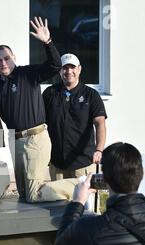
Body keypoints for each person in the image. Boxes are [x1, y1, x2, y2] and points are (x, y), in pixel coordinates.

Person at [0, 17, 61, 202]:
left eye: (6, 58)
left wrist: (47, 42)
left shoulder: (27, 74)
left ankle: (75, 184)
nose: (3, 63)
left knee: (33, 193)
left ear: (14, 57)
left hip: (35, 138)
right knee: (23, 193)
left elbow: (55, 66)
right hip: (15, 141)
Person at [43, 53, 107, 181]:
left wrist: (99, 150)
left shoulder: (91, 95)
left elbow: (100, 123)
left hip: (83, 163)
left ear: (79, 69)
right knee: (59, 200)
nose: (68, 71)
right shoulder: (49, 93)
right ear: (59, 70)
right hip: (57, 164)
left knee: (85, 200)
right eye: (64, 68)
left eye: (72, 67)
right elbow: (40, 123)